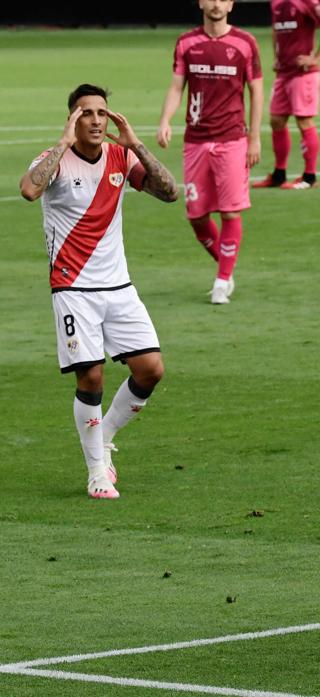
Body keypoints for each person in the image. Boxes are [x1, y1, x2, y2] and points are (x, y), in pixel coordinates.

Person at [19, 84, 179, 499]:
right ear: (73, 119)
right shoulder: (54, 161)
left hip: (118, 286)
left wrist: (137, 145)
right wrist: (61, 141)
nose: (94, 120)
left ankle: (103, 435)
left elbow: (169, 192)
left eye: (101, 113)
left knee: (151, 370)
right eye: (85, 113)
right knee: (90, 376)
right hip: (72, 288)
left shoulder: (121, 157)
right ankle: (95, 472)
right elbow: (29, 189)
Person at [157, 0, 264, 305]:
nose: (216, 4)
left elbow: (256, 89)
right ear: (201, 3)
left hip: (232, 139)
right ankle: (226, 269)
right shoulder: (187, 42)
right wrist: (166, 119)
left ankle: (220, 282)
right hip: (196, 140)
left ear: (231, 4)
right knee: (197, 216)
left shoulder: (245, 43)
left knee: (231, 211)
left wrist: (254, 137)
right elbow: (178, 86)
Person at [253, 0, 320, 190]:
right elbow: (276, 30)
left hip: (304, 73)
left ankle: (309, 177)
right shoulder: (276, 3)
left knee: (304, 120)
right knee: (276, 120)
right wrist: (276, 56)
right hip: (283, 73)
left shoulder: (307, 2)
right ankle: (279, 174)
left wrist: (316, 58)